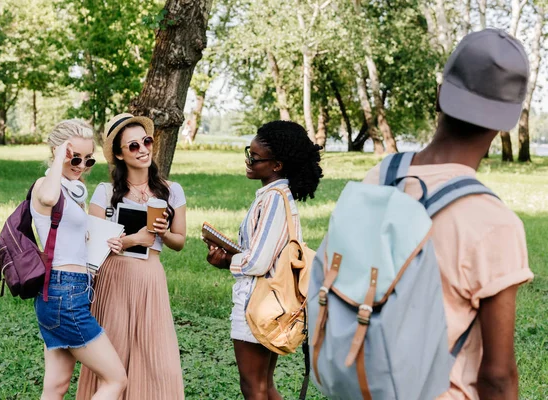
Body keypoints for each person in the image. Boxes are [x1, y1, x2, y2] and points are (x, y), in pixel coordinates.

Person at [362, 29, 534, 400]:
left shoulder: (380, 177)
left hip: (364, 381)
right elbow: (497, 377)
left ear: (439, 95)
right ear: (506, 121)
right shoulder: (495, 224)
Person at [205, 120, 323, 400]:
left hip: (258, 303)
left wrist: (225, 261)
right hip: (270, 302)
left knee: (253, 386)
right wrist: (235, 251)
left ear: (277, 165)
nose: (248, 161)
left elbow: (258, 263)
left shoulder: (273, 199)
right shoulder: (279, 196)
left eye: (254, 158)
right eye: (249, 152)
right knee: (265, 385)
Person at [76, 113, 186, 400]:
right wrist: (131, 240)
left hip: (150, 279)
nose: (143, 149)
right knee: (114, 352)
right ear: (120, 154)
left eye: (146, 142)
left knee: (158, 359)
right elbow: (94, 247)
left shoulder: (172, 191)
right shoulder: (105, 192)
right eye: (133, 146)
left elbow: (180, 242)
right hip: (114, 279)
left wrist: (164, 232)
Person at [30, 119, 127, 400]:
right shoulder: (45, 186)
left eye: (88, 160)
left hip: (64, 292)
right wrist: (61, 155)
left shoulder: (72, 191)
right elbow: (48, 197)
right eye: (76, 157)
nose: (81, 166)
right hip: (64, 293)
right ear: (58, 152)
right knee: (115, 379)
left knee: (56, 387)